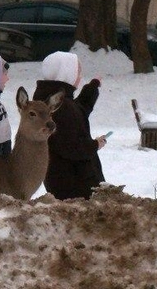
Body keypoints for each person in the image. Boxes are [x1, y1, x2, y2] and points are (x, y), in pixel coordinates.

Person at [33, 51, 107, 200]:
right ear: (65, 72)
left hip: (62, 180)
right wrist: (94, 145)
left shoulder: (51, 99)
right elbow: (71, 147)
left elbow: (78, 111)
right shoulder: (61, 107)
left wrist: (92, 88)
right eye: (77, 71)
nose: (79, 76)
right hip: (74, 185)